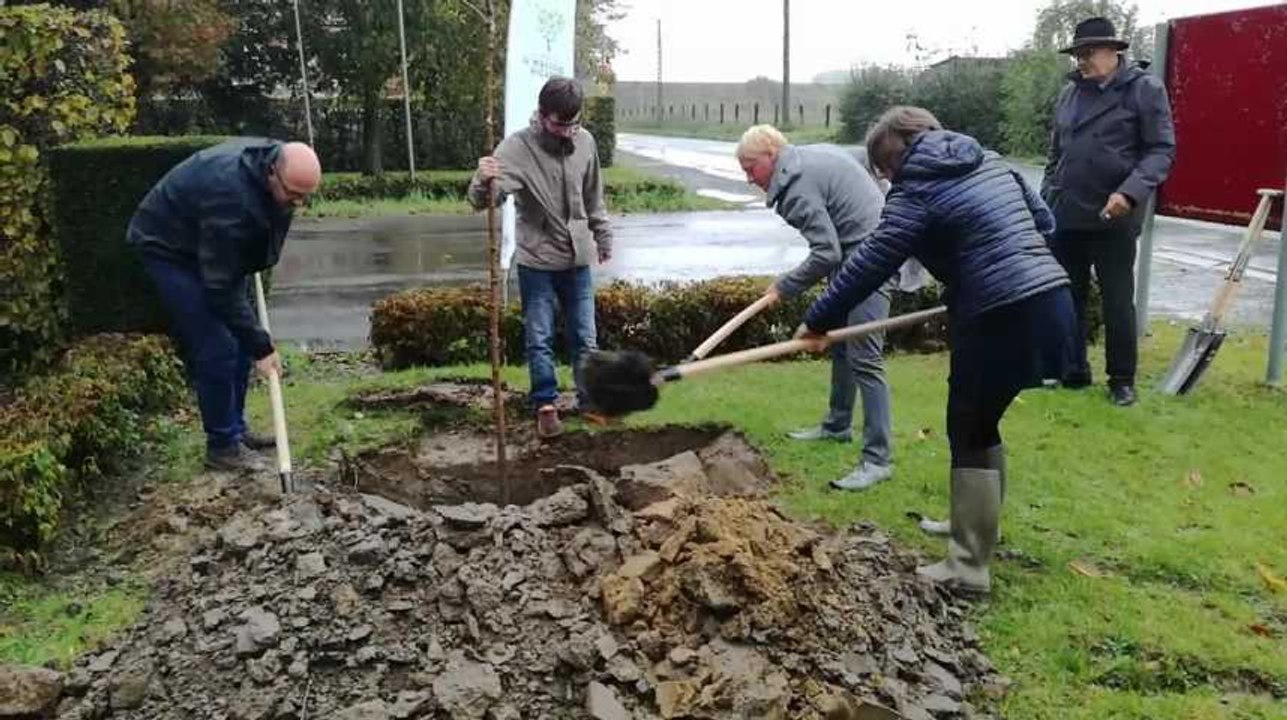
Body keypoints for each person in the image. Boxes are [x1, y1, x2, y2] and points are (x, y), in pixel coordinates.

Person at [797, 107, 1076, 593]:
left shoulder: (916, 190)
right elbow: (1045, 223)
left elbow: (871, 260)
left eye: (884, 170)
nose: (886, 180)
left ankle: (967, 567)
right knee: (979, 422)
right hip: (1051, 299)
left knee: (969, 426)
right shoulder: (990, 161)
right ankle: (974, 528)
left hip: (1000, 312)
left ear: (896, 154)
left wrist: (818, 319)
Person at [127, 139, 321, 472]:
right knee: (217, 343)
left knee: (242, 337)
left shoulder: (274, 168)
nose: (299, 203)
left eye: (306, 196)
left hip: (207, 241)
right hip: (169, 247)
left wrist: (253, 339)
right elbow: (220, 287)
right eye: (293, 194)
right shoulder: (230, 198)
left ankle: (237, 427)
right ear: (272, 174)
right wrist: (262, 347)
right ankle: (221, 446)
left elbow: (261, 238)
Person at [735, 124, 895, 490]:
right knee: (839, 343)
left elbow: (826, 252)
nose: (748, 178)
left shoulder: (795, 188)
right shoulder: (809, 154)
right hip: (859, 254)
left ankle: (877, 460)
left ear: (772, 155)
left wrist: (785, 285)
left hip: (875, 258)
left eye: (750, 168)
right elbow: (859, 158)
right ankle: (838, 424)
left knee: (866, 357)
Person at [1042, 16, 1177, 407]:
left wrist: (1129, 193)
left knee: (1117, 299)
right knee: (1068, 295)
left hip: (1114, 212)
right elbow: (1056, 152)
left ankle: (1121, 379)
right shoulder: (1069, 94)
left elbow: (1161, 151)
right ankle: (1072, 370)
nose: (1082, 60)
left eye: (1088, 53)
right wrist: (1048, 193)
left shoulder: (1144, 90)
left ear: (1114, 52)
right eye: (1078, 53)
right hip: (1067, 212)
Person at [469, 77, 613, 438]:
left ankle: (590, 400)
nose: (567, 131)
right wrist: (482, 180)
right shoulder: (516, 149)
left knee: (585, 337)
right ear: (542, 114)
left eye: (573, 123)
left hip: (577, 259)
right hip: (537, 262)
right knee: (540, 336)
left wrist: (603, 234)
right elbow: (484, 200)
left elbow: (594, 196)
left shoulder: (586, 143)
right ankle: (546, 405)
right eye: (559, 124)